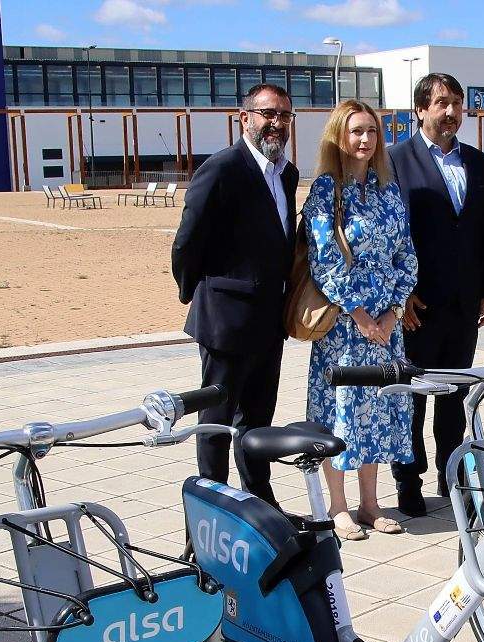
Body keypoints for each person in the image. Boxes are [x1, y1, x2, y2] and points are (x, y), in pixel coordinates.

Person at [171, 82, 299, 506]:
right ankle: (212, 504)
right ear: (245, 119)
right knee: (217, 419)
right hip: (226, 321)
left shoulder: (288, 173)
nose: (276, 123)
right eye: (268, 113)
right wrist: (199, 296)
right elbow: (188, 241)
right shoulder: (222, 168)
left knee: (258, 419)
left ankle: (259, 499)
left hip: (269, 321)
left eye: (284, 115)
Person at [303, 100, 419, 540]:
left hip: (386, 326)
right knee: (341, 412)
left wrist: (391, 312)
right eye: (356, 131)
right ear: (339, 136)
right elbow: (324, 260)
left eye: (372, 131)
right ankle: (338, 506)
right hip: (343, 325)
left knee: (378, 410)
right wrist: (359, 312)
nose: (365, 139)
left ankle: (371, 503)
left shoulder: (389, 189)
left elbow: (406, 254)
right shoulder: (326, 192)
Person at [388, 72, 484, 517]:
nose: (451, 111)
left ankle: (452, 475)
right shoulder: (396, 158)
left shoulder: (474, 161)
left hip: (464, 303)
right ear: (421, 109)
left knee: (454, 397)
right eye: (440, 103)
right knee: (412, 396)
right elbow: (389, 232)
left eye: (456, 102)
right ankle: (407, 480)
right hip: (418, 304)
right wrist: (403, 293)